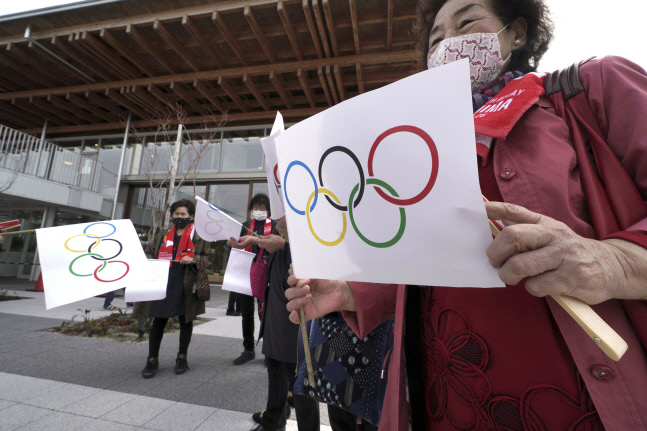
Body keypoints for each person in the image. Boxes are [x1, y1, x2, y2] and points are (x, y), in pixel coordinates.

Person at [285, 0, 647, 430]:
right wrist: (350, 293)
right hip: (446, 396)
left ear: (516, 32)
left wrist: (616, 262)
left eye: (467, 21)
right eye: (435, 38)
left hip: (578, 391)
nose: (449, 42)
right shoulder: (419, 145)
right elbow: (428, 264)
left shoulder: (593, 87)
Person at [231, 216, 320, 431]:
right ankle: (274, 418)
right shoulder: (278, 238)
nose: (278, 219)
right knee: (274, 366)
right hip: (274, 313)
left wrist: (285, 246)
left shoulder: (308, 238)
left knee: (300, 379)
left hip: (296, 318)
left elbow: (314, 265)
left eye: (284, 215)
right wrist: (254, 241)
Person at [140, 198, 214, 379]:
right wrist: (152, 261)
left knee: (185, 321)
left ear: (191, 216)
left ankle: (182, 357)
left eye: (183, 214)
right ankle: (152, 359)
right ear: (172, 215)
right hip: (164, 282)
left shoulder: (198, 235)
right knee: (158, 321)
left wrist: (194, 258)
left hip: (186, 283)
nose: (179, 217)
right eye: (176, 214)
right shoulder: (163, 234)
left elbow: (209, 258)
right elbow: (149, 251)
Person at [227, 193, 275, 366]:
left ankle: (270, 351)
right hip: (245, 274)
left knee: (266, 315)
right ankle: (248, 349)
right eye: (256, 208)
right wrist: (232, 244)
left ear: (268, 210)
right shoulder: (245, 226)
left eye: (262, 209)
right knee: (246, 314)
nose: (259, 211)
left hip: (266, 276)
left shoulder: (275, 226)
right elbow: (236, 246)